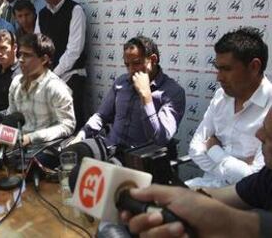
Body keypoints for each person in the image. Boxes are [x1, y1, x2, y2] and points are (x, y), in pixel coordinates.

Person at [120, 105, 272, 238]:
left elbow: (243, 175)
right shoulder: (267, 177)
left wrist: (213, 149)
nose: (259, 135)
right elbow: (197, 151)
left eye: (270, 133)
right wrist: (174, 197)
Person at [70, 36, 185, 160]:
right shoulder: (121, 82)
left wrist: (146, 97)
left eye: (136, 63)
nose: (131, 70)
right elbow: (101, 116)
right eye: (127, 65)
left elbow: (160, 139)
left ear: (153, 59)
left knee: (101, 172)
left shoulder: (173, 92)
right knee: (70, 154)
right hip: (109, 147)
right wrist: (81, 135)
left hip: (140, 157)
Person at [187, 27, 271, 188]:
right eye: (218, 68)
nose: (218, 77)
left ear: (254, 67)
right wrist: (234, 168)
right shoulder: (220, 96)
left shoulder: (270, 108)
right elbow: (195, 148)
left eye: (226, 69)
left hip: (247, 203)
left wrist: (214, 149)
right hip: (206, 185)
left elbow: (255, 181)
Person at [37, 0, 87, 131]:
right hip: (49, 76)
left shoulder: (75, 10)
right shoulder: (42, 14)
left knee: (72, 123)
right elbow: (37, 45)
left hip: (71, 74)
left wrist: (53, 75)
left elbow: (74, 51)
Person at [7, 33, 75, 147]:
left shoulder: (56, 87)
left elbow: (68, 125)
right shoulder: (15, 82)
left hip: (45, 149)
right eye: (20, 54)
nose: (21, 60)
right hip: (16, 146)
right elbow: (11, 116)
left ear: (44, 59)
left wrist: (31, 138)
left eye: (27, 55)